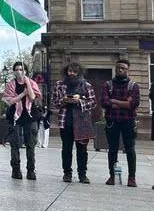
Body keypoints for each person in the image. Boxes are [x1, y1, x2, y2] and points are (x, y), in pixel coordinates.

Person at [52, 63, 96, 183]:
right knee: (66, 149)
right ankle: (67, 173)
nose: (71, 73)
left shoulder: (86, 85)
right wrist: (64, 101)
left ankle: (82, 174)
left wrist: (79, 101)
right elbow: (55, 102)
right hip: (65, 120)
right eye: (69, 71)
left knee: (82, 150)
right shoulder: (59, 85)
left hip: (82, 122)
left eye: (74, 72)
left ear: (79, 73)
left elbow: (93, 103)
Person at [101, 59, 140, 187]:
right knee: (112, 149)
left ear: (127, 69)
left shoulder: (133, 86)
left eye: (123, 68)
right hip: (112, 120)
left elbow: (134, 104)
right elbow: (104, 103)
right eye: (118, 68)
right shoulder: (108, 85)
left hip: (128, 121)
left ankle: (132, 178)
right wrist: (125, 103)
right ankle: (112, 176)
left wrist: (114, 101)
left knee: (130, 149)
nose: (120, 70)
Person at [2, 61, 41, 180]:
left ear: (25, 71)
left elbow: (33, 97)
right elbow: (10, 101)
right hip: (15, 117)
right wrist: (22, 94)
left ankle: (31, 170)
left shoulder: (31, 83)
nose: (19, 71)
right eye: (16, 69)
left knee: (30, 145)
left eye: (21, 69)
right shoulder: (10, 85)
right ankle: (16, 170)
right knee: (15, 144)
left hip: (30, 117)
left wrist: (28, 83)